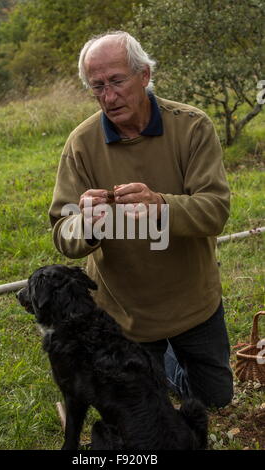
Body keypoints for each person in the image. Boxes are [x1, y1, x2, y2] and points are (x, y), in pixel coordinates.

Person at [49, 31, 234, 408]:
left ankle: (169, 361)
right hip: (123, 312)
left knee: (215, 399)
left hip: (193, 300)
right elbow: (62, 233)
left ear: (144, 75)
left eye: (117, 81)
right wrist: (85, 223)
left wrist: (161, 205)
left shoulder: (191, 126)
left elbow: (215, 210)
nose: (108, 96)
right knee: (142, 407)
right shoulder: (82, 144)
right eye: (97, 86)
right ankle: (158, 361)